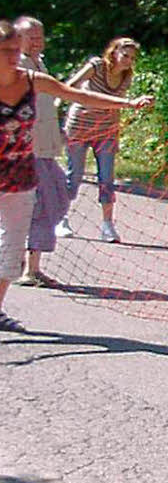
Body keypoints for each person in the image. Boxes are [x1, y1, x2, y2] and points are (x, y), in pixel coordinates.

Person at [0, 20, 153, 332]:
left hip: (20, 178)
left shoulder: (32, 79)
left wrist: (128, 103)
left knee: (12, 247)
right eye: (7, 51)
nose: (14, 56)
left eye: (17, 50)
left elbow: (78, 96)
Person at [55, 36, 143, 243]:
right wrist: (58, 102)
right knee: (74, 176)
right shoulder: (96, 66)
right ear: (114, 52)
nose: (128, 60)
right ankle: (61, 218)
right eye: (125, 55)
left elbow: (115, 102)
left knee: (106, 179)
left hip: (106, 130)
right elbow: (72, 84)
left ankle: (107, 225)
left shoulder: (127, 76)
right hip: (80, 127)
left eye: (132, 57)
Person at [11, 17, 68, 288]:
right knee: (43, 205)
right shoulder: (16, 66)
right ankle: (29, 269)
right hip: (27, 151)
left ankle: (25, 264)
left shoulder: (38, 63)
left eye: (40, 35)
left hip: (44, 149)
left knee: (57, 197)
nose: (37, 41)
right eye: (30, 36)